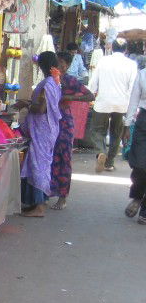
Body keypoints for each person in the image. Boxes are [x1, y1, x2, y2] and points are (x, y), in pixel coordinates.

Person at [19, 51, 62, 217]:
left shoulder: (47, 84)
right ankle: (34, 202)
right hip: (45, 129)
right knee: (36, 164)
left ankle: (40, 206)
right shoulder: (53, 82)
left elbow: (41, 108)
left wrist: (26, 105)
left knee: (39, 166)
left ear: (42, 65)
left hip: (43, 130)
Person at [49, 52, 94, 210]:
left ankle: (62, 197)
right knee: (50, 158)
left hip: (64, 124)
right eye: (56, 63)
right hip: (49, 122)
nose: (57, 66)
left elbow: (89, 96)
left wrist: (71, 98)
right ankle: (46, 192)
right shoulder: (50, 78)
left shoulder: (70, 80)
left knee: (64, 159)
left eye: (60, 63)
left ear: (67, 65)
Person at [87, 37, 137, 173]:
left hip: (103, 102)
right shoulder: (131, 64)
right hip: (122, 104)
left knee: (97, 131)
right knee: (116, 133)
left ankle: (101, 151)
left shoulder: (103, 61)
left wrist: (90, 95)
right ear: (126, 50)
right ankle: (109, 163)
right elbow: (133, 87)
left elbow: (93, 83)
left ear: (111, 48)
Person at [123, 61, 146, 222]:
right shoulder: (142, 74)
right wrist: (126, 125)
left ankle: (144, 210)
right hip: (143, 121)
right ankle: (137, 196)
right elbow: (133, 100)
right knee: (139, 165)